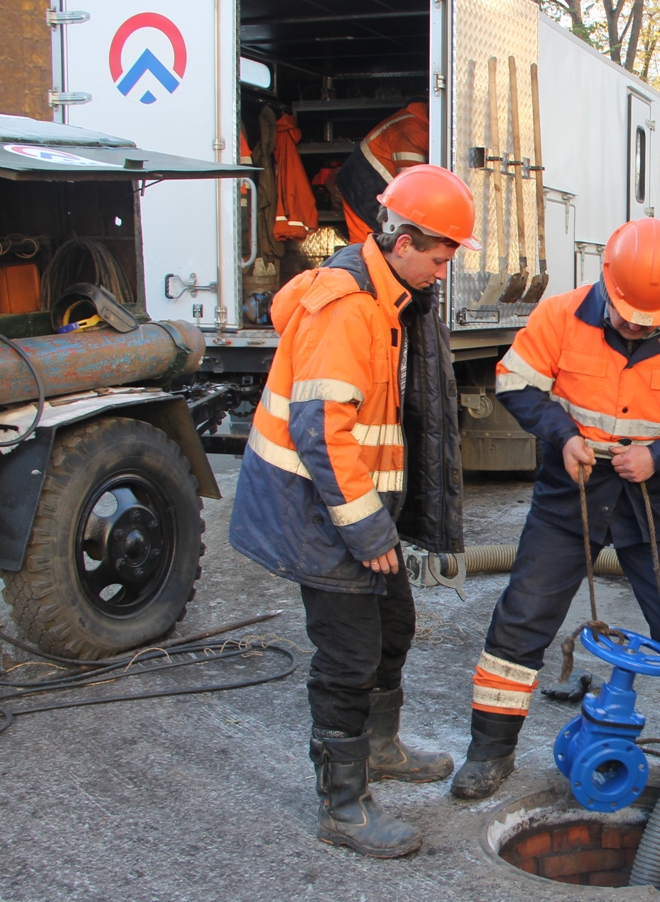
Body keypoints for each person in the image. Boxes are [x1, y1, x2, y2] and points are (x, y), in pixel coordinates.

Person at [229, 164, 479, 857]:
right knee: (348, 657)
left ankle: (380, 746)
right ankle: (341, 806)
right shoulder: (347, 307)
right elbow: (322, 431)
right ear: (401, 240)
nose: (442, 270)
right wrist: (368, 529)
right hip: (317, 512)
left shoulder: (390, 298)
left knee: (394, 625)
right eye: (437, 256)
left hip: (350, 507)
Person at [450, 218, 660, 799]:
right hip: (572, 496)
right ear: (606, 282)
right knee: (521, 618)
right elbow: (516, 384)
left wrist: (659, 457)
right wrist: (562, 436)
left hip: (652, 505)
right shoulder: (560, 316)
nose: (635, 326)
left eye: (648, 321)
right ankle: (490, 753)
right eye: (627, 313)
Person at [336, 102, 429, 245]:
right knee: (368, 248)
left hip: (360, 187)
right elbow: (413, 190)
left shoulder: (409, 122)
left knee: (364, 247)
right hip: (366, 190)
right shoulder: (412, 130)